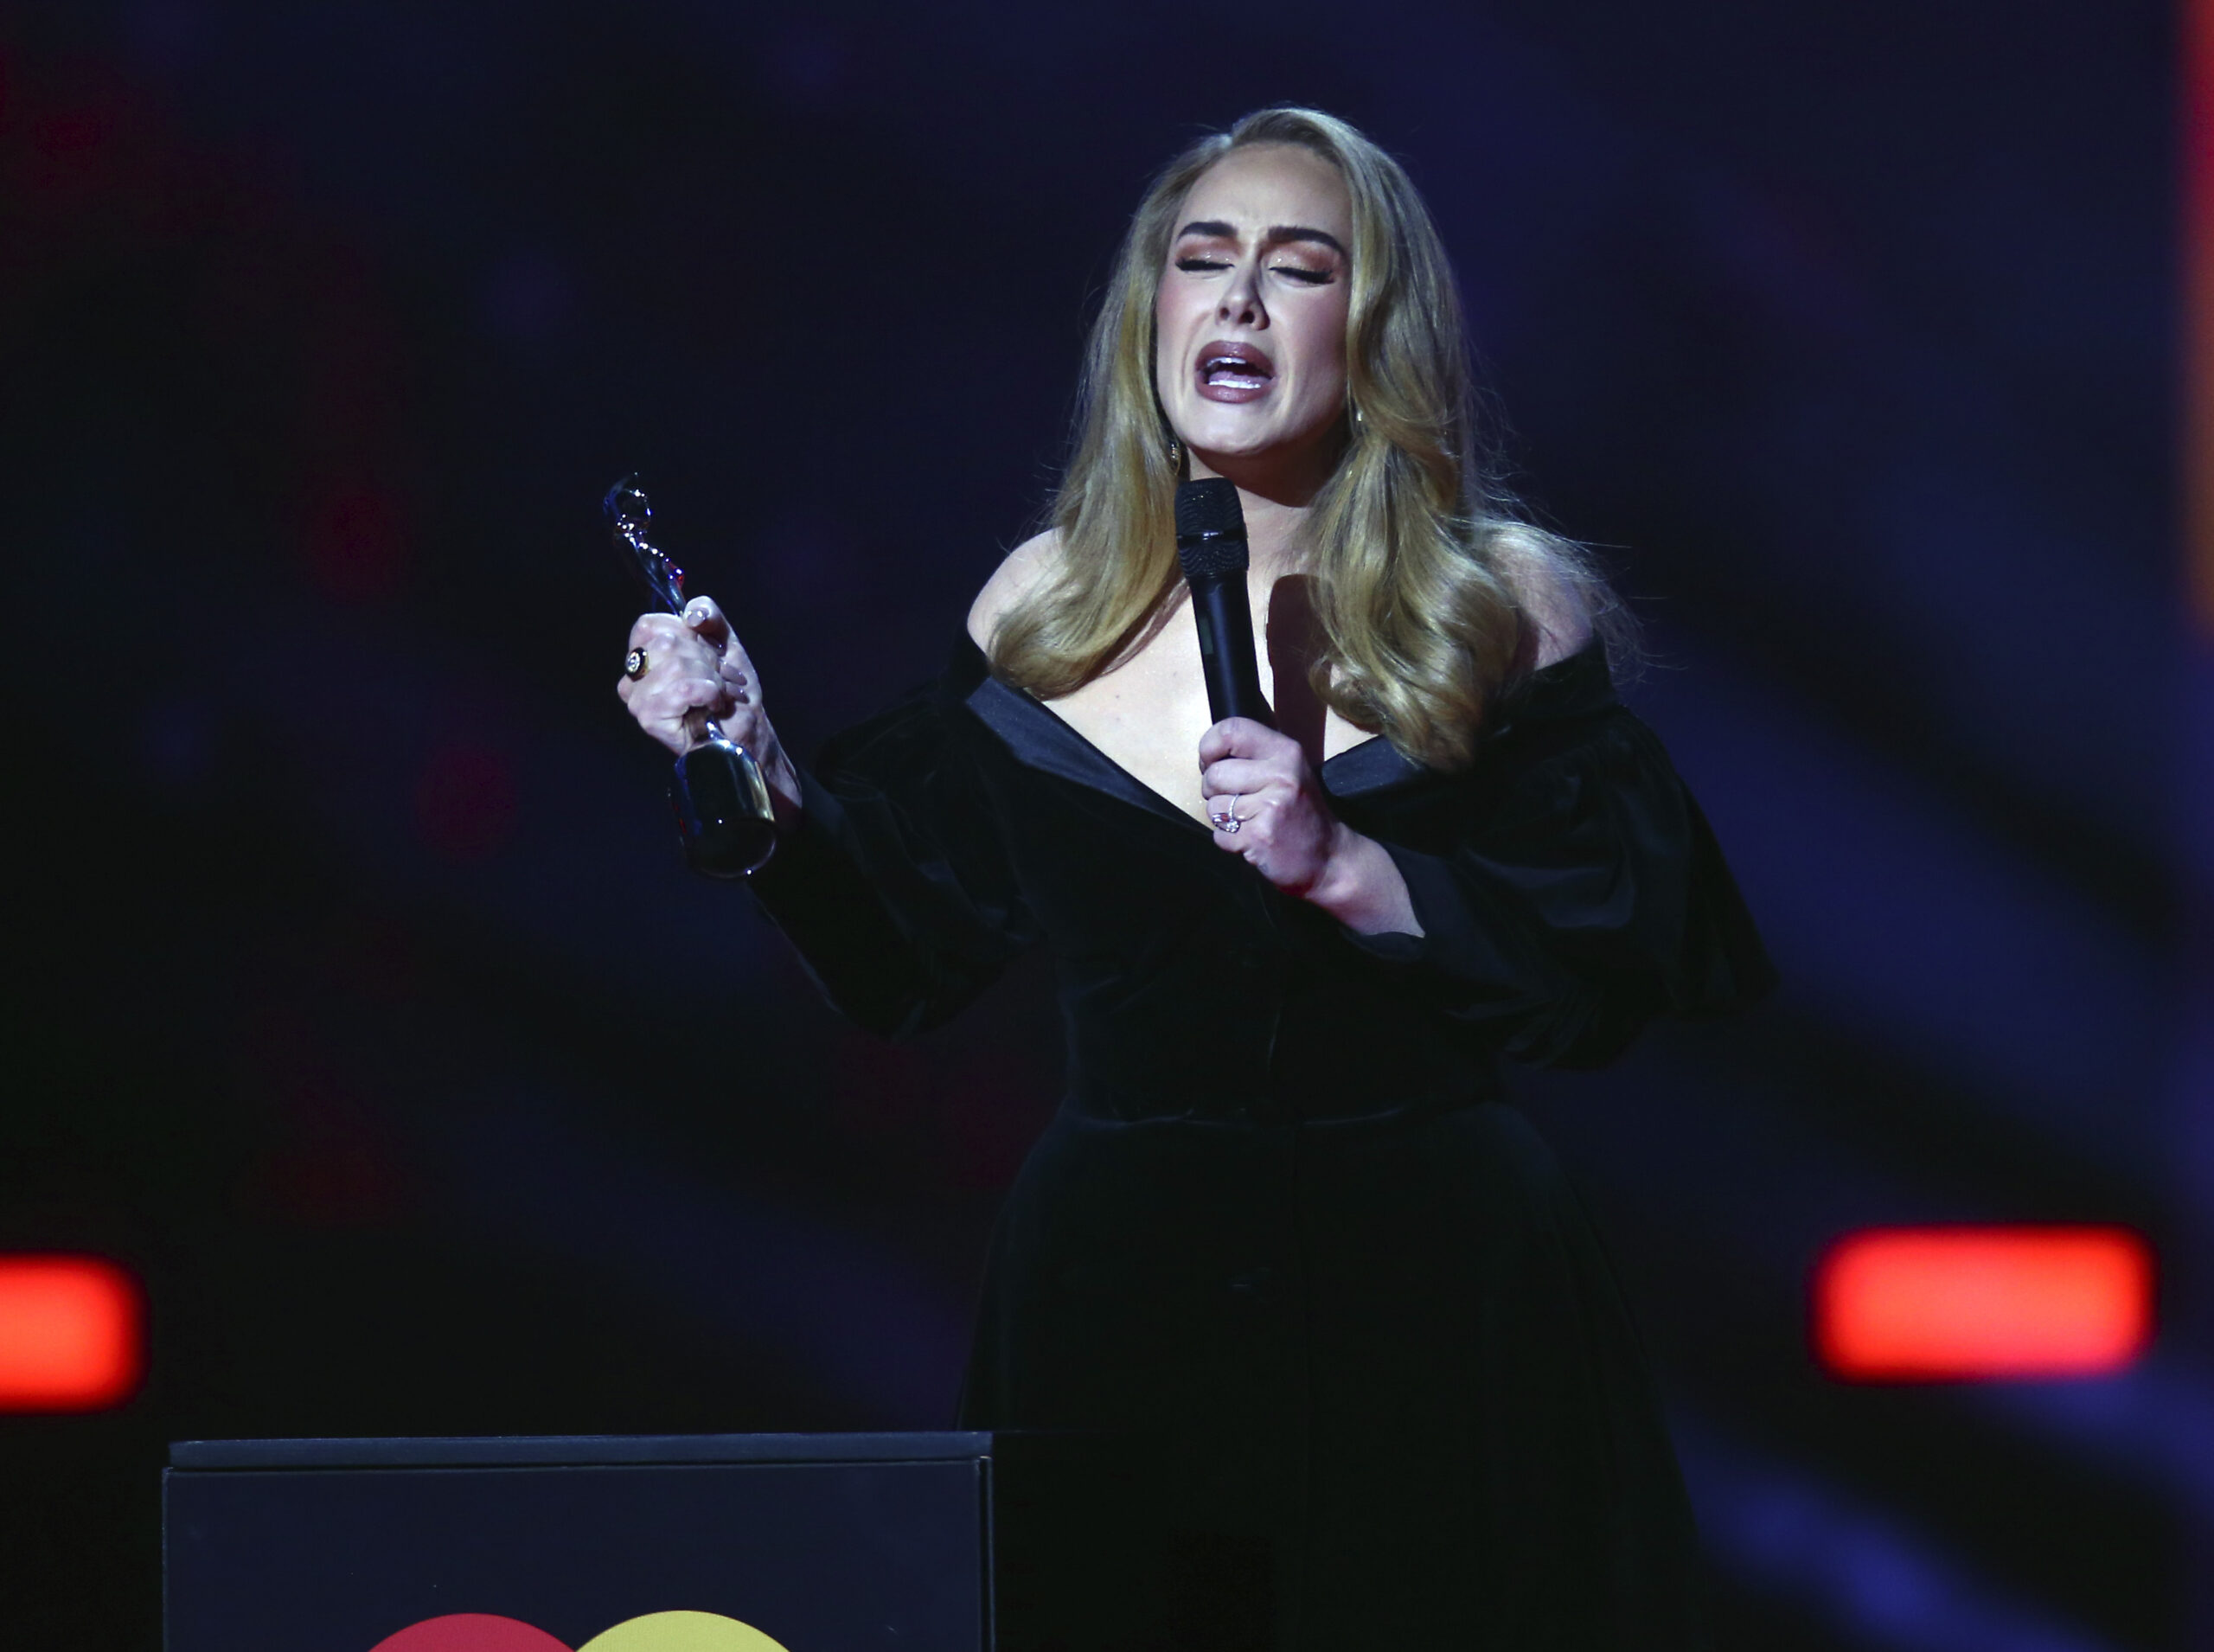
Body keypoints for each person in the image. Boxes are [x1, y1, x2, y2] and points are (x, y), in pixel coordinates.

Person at [618, 106, 1772, 1650]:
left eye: (1295, 270)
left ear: (1369, 330)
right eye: (1200, 261)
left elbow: (1621, 962)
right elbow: (909, 951)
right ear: (1147, 313)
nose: (1234, 301)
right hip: (1120, 1296)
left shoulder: (1495, 607)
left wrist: (1351, 864)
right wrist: (755, 762)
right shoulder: (1044, 609)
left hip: (1438, 1296)